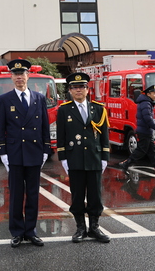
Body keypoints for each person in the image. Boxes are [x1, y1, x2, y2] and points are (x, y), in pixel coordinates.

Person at [0, 59, 51, 248]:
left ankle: (31, 231)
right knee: (16, 195)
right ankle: (17, 232)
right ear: (11, 77)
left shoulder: (39, 98)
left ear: (28, 76)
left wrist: (46, 148)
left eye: (22, 74)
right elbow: (0, 128)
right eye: (15, 75)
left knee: (34, 194)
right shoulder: (4, 99)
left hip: (34, 152)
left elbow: (45, 125)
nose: (19, 78)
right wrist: (2, 152)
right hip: (15, 153)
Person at [57, 72, 111, 243]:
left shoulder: (98, 109)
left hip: (94, 158)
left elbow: (105, 136)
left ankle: (94, 227)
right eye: (74, 87)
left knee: (95, 195)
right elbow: (61, 136)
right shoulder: (64, 110)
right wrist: (63, 157)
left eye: (81, 87)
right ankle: (80, 228)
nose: (78, 90)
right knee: (77, 195)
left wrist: (105, 157)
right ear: (70, 90)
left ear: (88, 89)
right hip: (75, 159)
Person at [119, 85, 155, 176]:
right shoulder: (145, 103)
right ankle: (126, 163)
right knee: (141, 150)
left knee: (152, 151)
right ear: (148, 94)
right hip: (144, 131)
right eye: (154, 93)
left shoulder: (146, 102)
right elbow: (148, 119)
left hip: (146, 131)